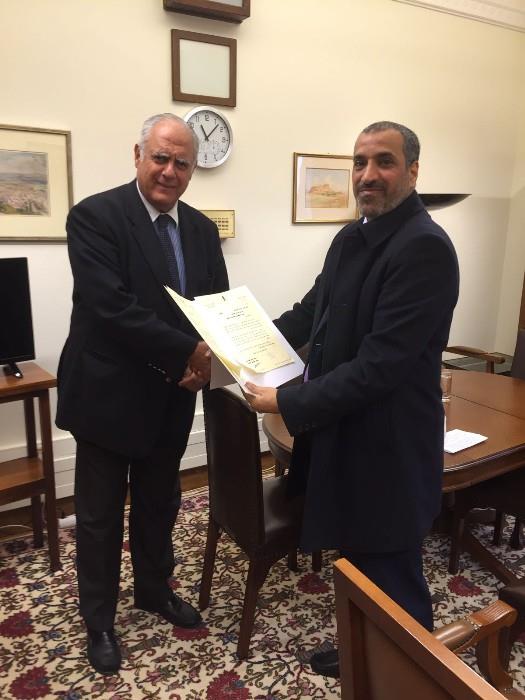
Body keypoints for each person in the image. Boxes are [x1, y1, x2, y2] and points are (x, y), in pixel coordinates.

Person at [245, 121, 459, 678]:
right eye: (360, 162)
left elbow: (379, 366)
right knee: (359, 558)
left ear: (413, 171)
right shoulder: (350, 238)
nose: (368, 174)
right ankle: (361, 651)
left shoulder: (425, 248)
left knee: (392, 565)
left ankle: (407, 674)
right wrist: (240, 343)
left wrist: (286, 402)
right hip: (344, 430)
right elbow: (309, 313)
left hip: (389, 443)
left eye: (384, 161)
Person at [56, 113, 228, 674]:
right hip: (107, 394)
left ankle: (153, 588)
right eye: (161, 157)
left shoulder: (201, 229)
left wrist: (211, 355)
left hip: (173, 394)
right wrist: (189, 352)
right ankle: (99, 620)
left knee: (160, 501)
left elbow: (215, 305)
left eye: (183, 163)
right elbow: (111, 308)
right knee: (100, 516)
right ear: (138, 155)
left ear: (193, 170)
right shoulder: (96, 217)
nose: (170, 171)